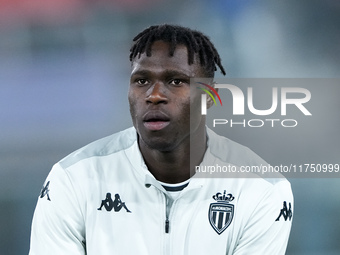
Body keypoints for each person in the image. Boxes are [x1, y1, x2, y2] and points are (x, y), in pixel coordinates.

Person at [29, 24, 293, 254]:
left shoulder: (262, 188)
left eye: (176, 81)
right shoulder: (73, 178)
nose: (154, 95)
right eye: (141, 81)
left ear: (209, 98)